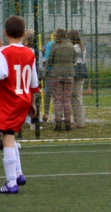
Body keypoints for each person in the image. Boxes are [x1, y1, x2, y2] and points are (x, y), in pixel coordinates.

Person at [0, 15, 39, 194]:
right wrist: (32, 103)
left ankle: (11, 183)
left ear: (5, 32)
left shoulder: (3, 53)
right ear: (23, 34)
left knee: (7, 137)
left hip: (9, 102)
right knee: (9, 136)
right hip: (23, 101)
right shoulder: (30, 53)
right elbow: (33, 81)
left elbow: (1, 75)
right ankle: (18, 173)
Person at [47, 28, 76, 131]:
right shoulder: (70, 46)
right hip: (69, 74)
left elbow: (50, 60)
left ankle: (58, 123)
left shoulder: (55, 47)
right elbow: (74, 59)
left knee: (58, 99)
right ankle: (68, 123)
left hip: (57, 74)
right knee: (67, 99)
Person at [67, 30, 86, 128]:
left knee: (75, 97)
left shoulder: (75, 47)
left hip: (76, 70)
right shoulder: (82, 47)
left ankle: (79, 122)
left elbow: (70, 57)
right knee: (77, 97)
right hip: (82, 70)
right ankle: (79, 121)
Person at [42, 35, 56, 122]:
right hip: (61, 72)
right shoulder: (66, 45)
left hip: (50, 71)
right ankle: (59, 114)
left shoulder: (50, 44)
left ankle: (46, 113)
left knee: (48, 94)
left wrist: (44, 65)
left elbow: (45, 58)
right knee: (59, 93)